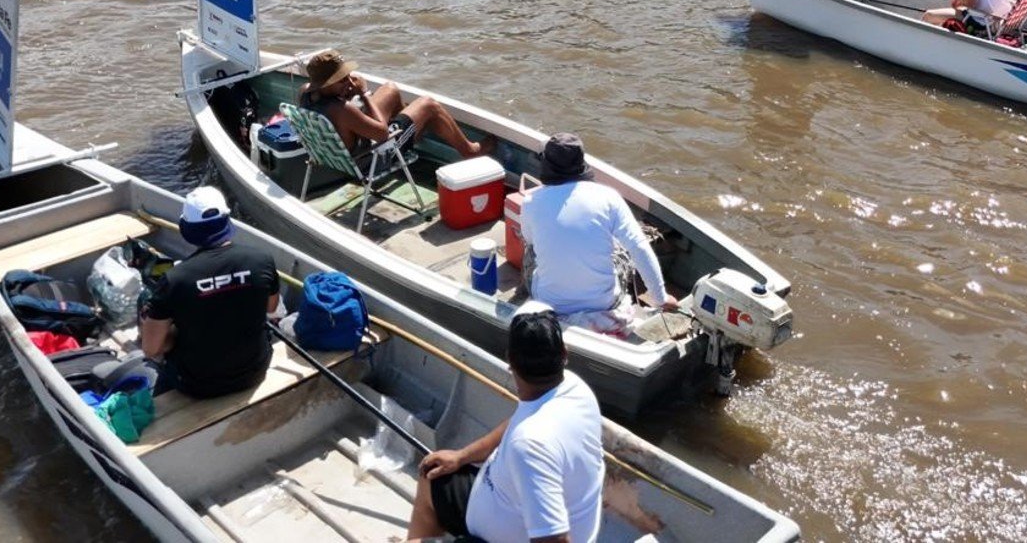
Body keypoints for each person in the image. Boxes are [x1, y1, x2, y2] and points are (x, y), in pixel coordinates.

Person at [408, 305, 603, 543]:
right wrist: (461, 456)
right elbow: (517, 420)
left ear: (510, 361)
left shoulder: (529, 446)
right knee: (432, 476)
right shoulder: (572, 388)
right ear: (564, 354)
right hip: (498, 502)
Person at [521, 134, 678, 336]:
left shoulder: (531, 202)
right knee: (620, 250)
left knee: (530, 247)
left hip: (549, 302)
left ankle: (523, 291)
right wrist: (661, 298)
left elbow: (531, 241)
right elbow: (639, 247)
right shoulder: (608, 197)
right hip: (603, 304)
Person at [139, 187, 279, 398]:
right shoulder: (262, 260)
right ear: (227, 220)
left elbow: (151, 349)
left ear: (187, 229)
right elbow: (271, 307)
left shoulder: (175, 280)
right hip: (255, 372)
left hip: (198, 385)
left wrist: (173, 334)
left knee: (148, 317)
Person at [299, 48, 494, 160]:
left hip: (345, 150)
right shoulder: (341, 110)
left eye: (348, 76)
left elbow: (344, 123)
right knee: (428, 104)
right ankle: (470, 151)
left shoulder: (306, 92)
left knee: (390, 89)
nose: (349, 82)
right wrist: (363, 94)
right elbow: (382, 133)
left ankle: (411, 130)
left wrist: (346, 93)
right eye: (343, 80)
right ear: (327, 84)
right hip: (373, 156)